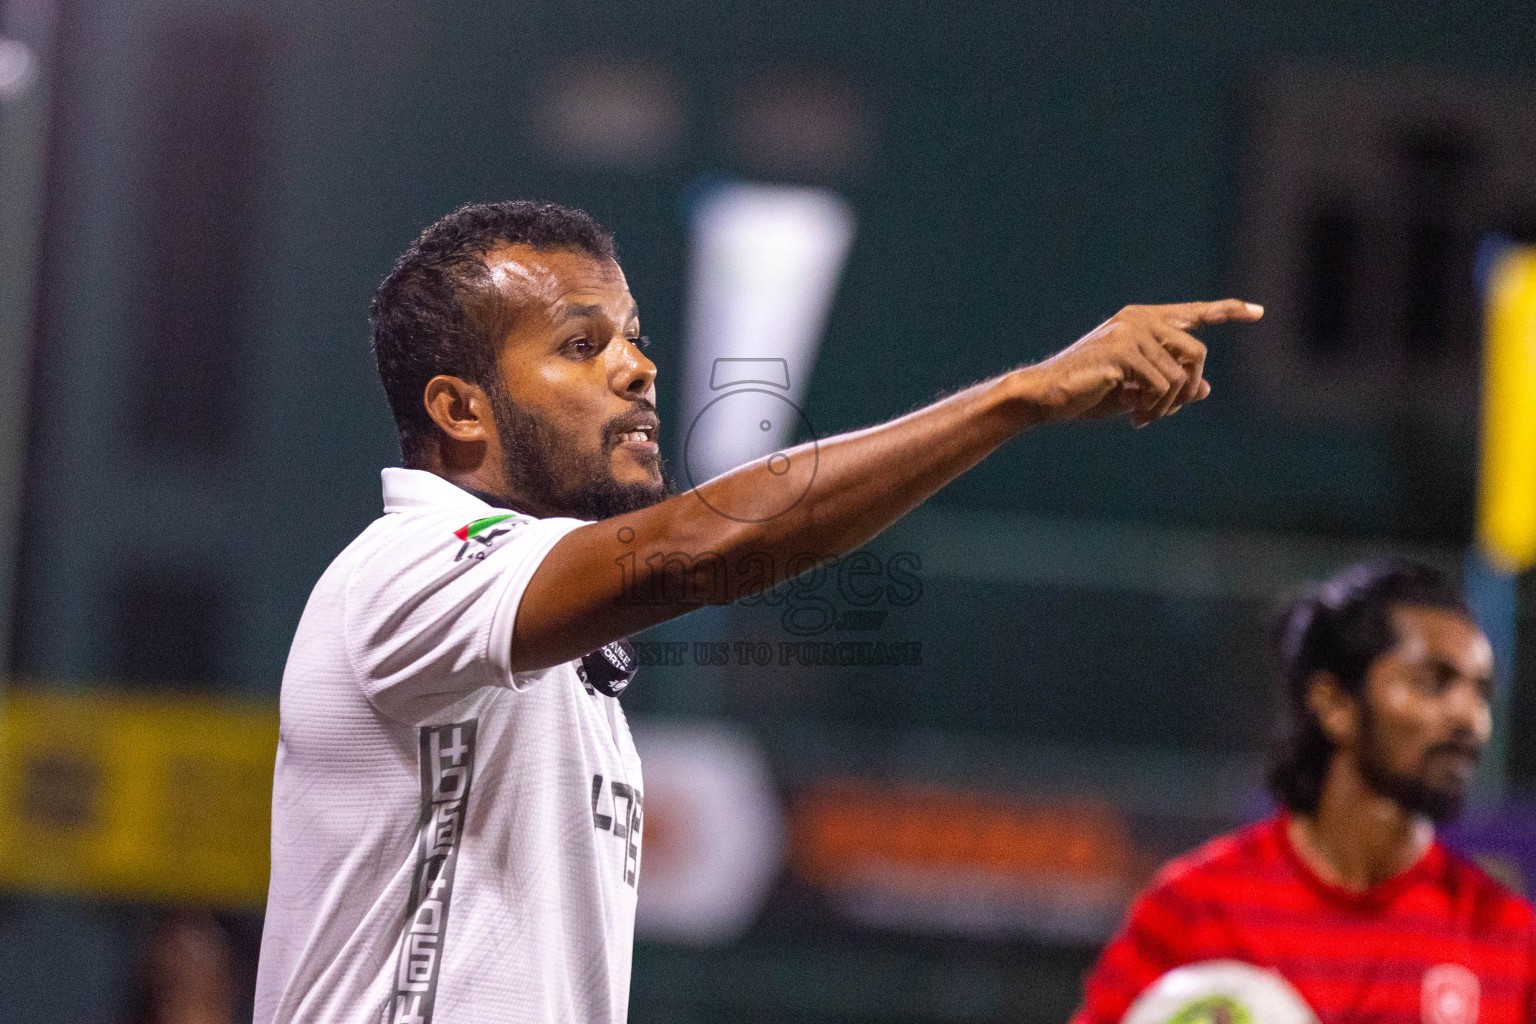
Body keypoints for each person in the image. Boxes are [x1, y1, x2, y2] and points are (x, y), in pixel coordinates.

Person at [252, 199, 1262, 1024]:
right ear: (460, 409)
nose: (637, 367)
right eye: (579, 342)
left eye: (633, 338)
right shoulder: (410, 567)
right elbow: (698, 551)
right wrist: (1018, 399)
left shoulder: (552, 650)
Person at [1071, 559, 1536, 1024]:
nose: (1472, 720)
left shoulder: (1508, 939)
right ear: (1333, 703)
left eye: (1481, 692)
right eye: (1434, 683)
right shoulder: (1194, 910)